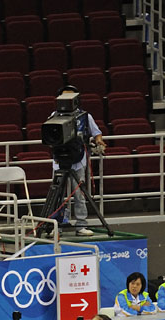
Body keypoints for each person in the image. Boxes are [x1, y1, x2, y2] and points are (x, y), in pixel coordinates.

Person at [47, 85, 105, 236]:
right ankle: (56, 227)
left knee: (79, 193)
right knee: (58, 195)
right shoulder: (54, 115)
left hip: (78, 160)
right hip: (60, 161)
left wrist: (99, 142)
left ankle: (81, 225)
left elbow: (96, 132)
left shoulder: (85, 116)